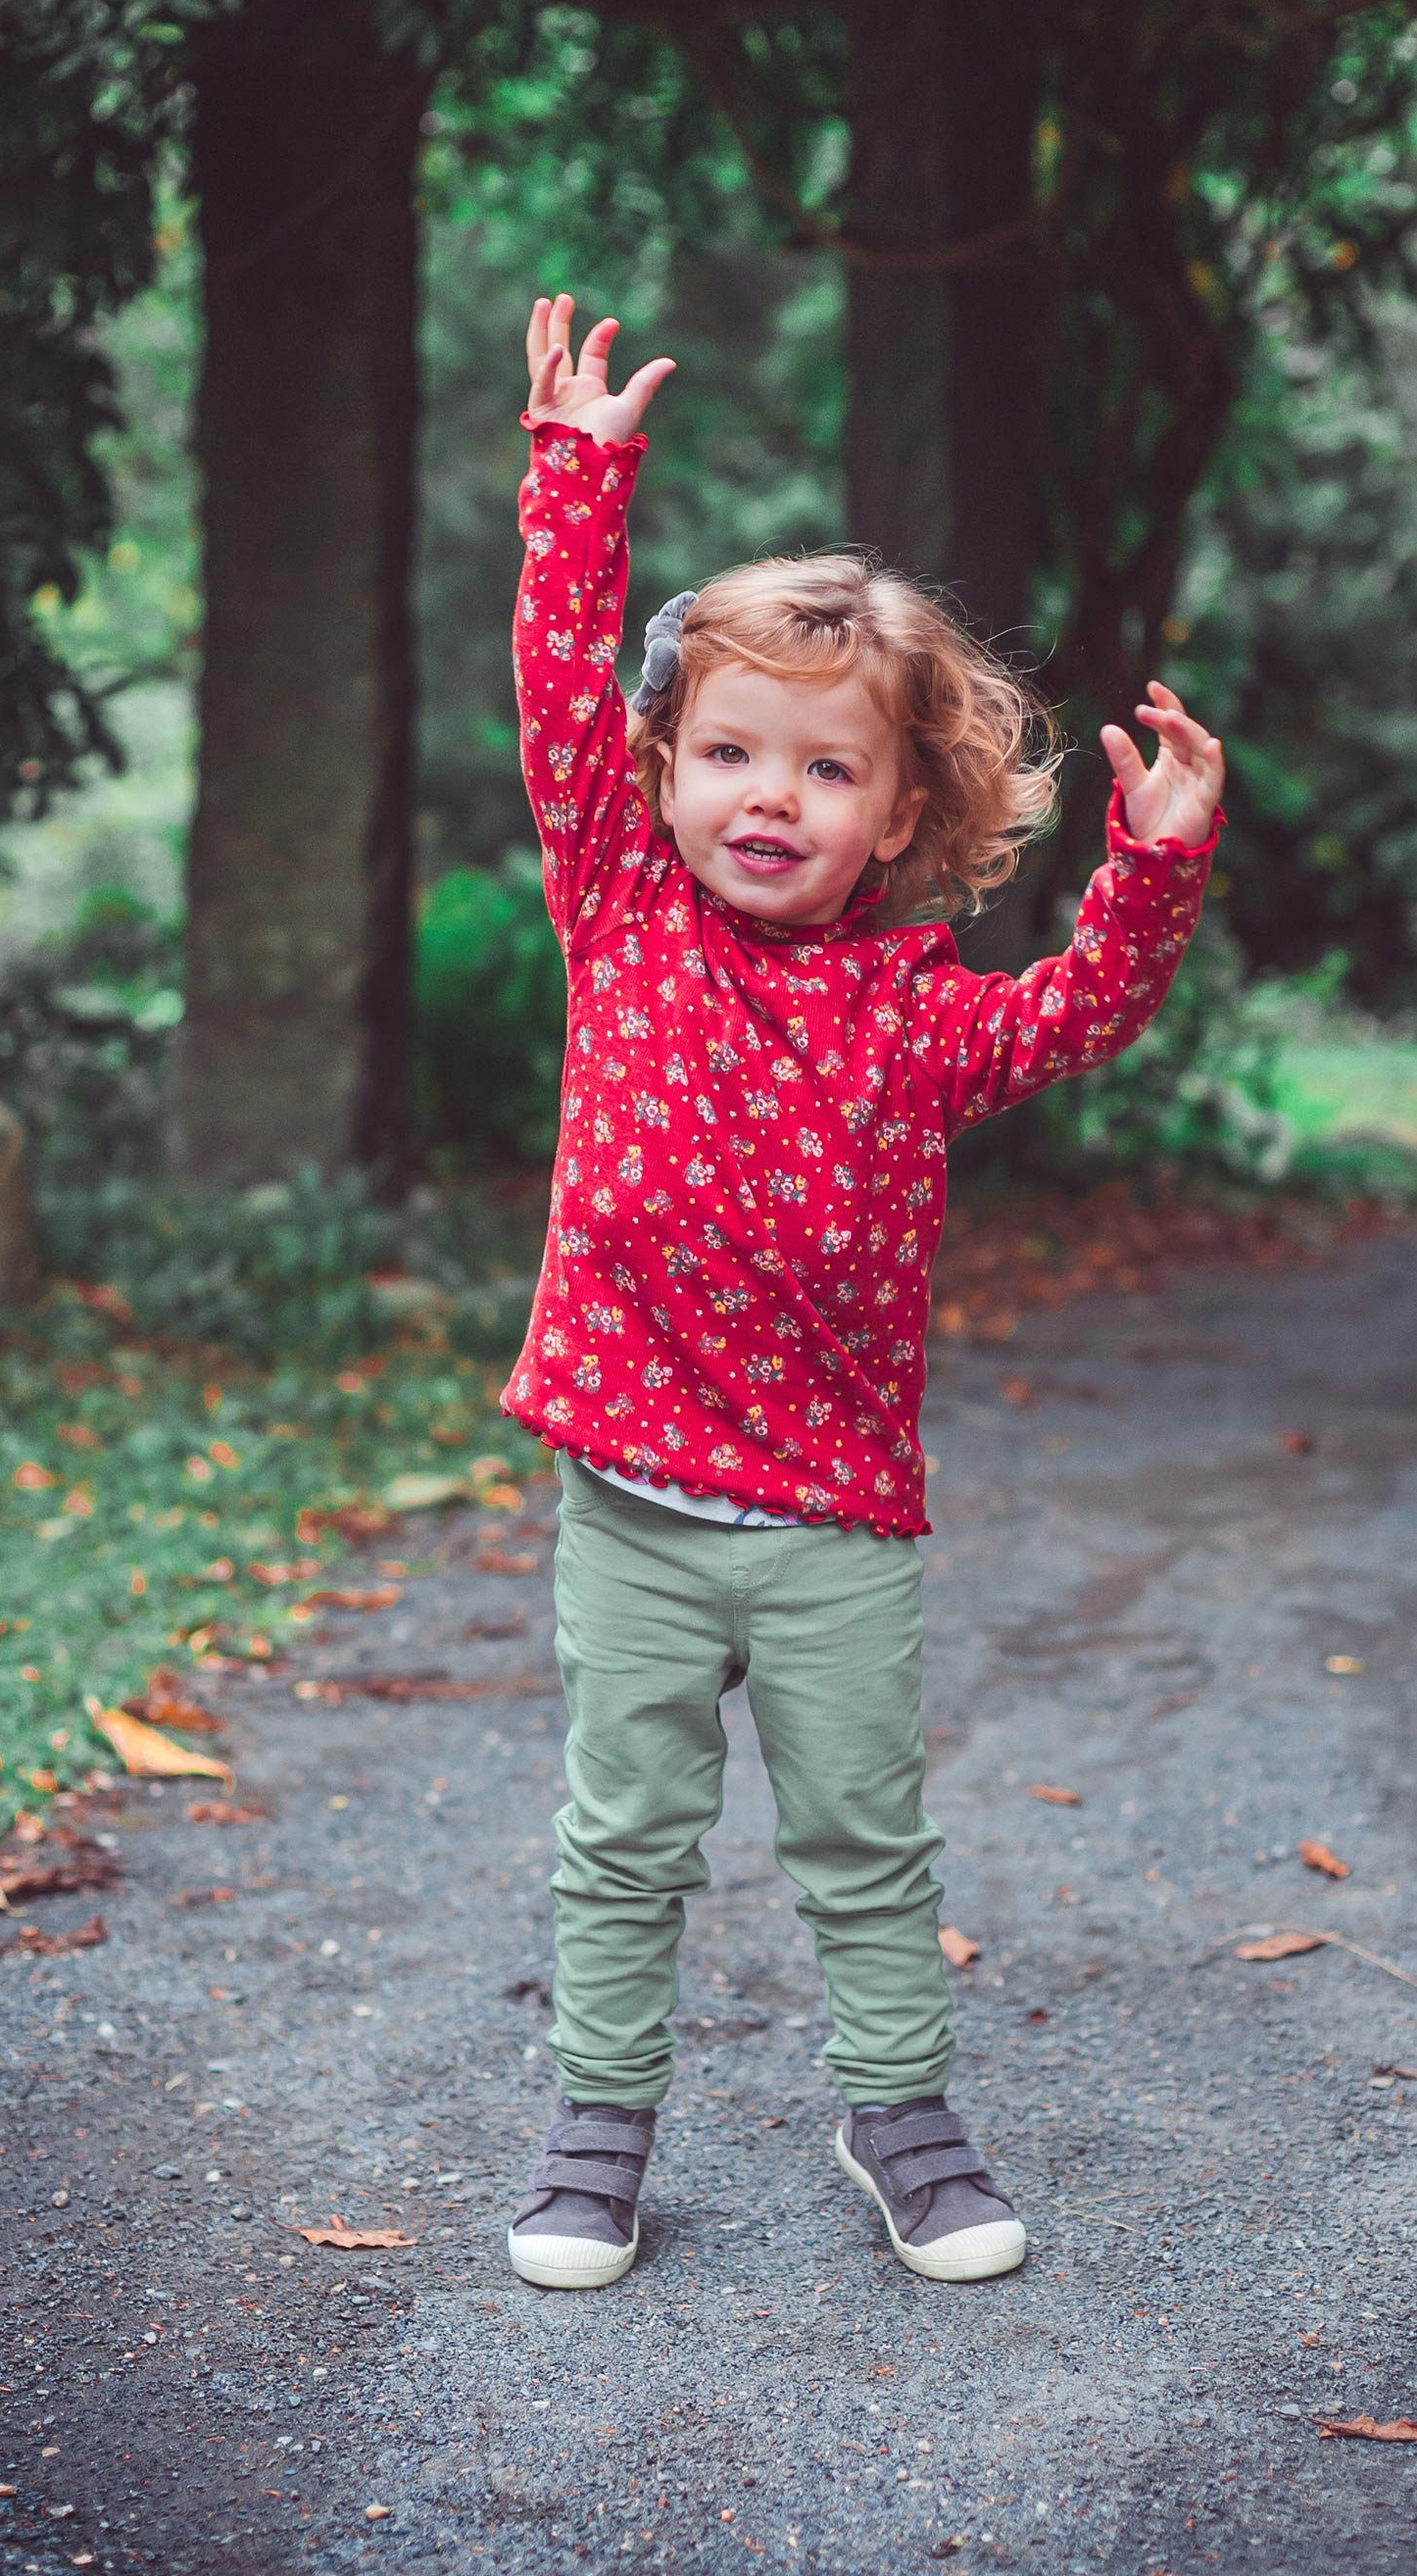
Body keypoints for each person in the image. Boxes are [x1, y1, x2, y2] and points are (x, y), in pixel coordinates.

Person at [501, 296, 1225, 2290]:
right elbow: (565, 691)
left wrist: (1151, 869)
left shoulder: (917, 1018)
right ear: (661, 775)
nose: (766, 794)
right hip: (633, 1499)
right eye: (727, 750)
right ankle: (596, 2136)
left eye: (823, 770)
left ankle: (897, 2112)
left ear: (897, 815)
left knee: (858, 1843)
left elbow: (1082, 1013)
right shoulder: (622, 912)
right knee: (624, 1838)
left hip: (828, 1514)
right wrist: (578, 480)